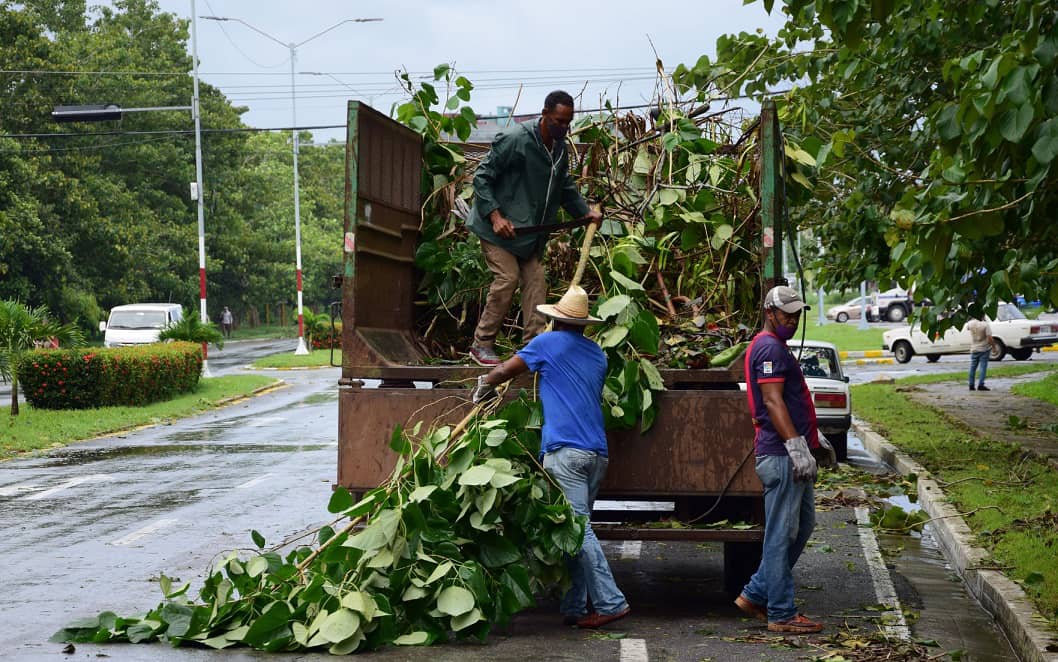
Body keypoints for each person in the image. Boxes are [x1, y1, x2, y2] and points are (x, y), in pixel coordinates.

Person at [472, 285, 630, 628]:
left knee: (577, 528)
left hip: (566, 452)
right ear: (584, 325)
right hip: (596, 454)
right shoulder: (598, 354)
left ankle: (610, 601)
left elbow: (503, 372)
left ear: (555, 321)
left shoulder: (545, 344)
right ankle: (575, 606)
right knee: (572, 529)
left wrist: (484, 385)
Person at [466, 90, 603, 367]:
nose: (563, 127)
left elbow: (564, 187)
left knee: (537, 282)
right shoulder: (516, 140)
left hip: (529, 235)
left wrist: (585, 213)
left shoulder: (559, 148)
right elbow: (481, 177)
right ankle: (481, 344)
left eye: (568, 122)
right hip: (497, 230)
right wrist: (495, 216)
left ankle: (534, 347)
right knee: (508, 277)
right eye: (558, 121)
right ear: (544, 115)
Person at [735, 286, 835, 634]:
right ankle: (780, 611)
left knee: (802, 527)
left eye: (796, 314)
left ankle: (756, 593)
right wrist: (795, 444)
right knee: (780, 535)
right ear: (769, 312)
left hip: (792, 453)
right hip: (781, 457)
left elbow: (788, 402)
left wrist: (811, 438)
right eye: (786, 314)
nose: (792, 320)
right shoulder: (769, 348)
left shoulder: (777, 348)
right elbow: (773, 402)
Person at [967, 317, 997, 391]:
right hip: (984, 349)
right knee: (983, 368)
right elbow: (990, 337)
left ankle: (971, 385)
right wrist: (993, 347)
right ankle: (981, 385)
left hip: (974, 348)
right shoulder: (985, 325)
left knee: (972, 368)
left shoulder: (970, 323)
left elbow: (967, 328)